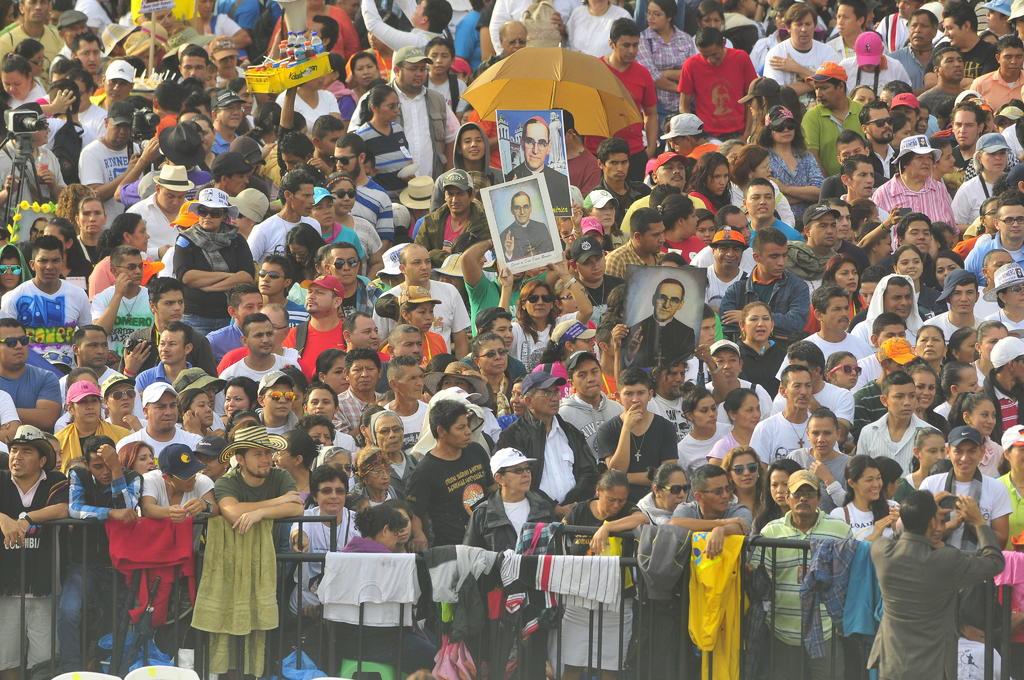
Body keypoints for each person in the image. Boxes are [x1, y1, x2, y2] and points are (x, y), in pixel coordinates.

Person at [868, 489, 1005, 679]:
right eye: (938, 520)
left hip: (892, 662)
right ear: (932, 524)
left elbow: (901, 534)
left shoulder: (881, 551)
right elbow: (994, 562)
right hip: (932, 665)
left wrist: (919, 512)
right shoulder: (945, 560)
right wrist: (979, 522)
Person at [759, 469, 853, 678]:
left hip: (827, 631)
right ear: (788, 498)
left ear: (819, 499)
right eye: (797, 493)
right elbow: (758, 578)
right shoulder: (770, 531)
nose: (803, 498)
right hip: (782, 632)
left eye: (809, 493)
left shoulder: (840, 530)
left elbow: (850, 578)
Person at [60, 435, 140, 673]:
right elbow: (75, 509)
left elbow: (127, 508)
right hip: (83, 562)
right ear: (87, 464)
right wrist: (110, 514)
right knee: (68, 611)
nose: (105, 471)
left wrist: (117, 471)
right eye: (98, 466)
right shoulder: (79, 474)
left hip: (118, 565)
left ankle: (108, 671)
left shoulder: (132, 477)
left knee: (114, 623)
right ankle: (69, 670)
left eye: (109, 464)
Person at [560, 470, 647, 678]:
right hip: (579, 599)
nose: (616, 505)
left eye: (621, 500)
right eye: (611, 500)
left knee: (610, 667)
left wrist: (607, 527)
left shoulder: (628, 510)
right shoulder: (578, 511)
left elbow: (642, 519)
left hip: (617, 601)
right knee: (572, 664)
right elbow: (560, 536)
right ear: (598, 491)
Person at [0, 425, 67, 677]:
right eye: (14, 450)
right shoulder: (0, 478)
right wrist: (3, 519)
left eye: (26, 451)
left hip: (44, 585)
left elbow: (63, 508)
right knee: (6, 661)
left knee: (43, 664)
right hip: (6, 585)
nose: (17, 456)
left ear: (42, 460)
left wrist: (26, 519)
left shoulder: (56, 480)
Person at [496, 372, 598, 515]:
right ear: (528, 401)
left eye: (556, 391)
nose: (555, 398)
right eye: (546, 393)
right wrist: (553, 508)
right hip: (533, 518)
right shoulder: (512, 437)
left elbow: (589, 472)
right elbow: (512, 480)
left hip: (575, 516)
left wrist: (573, 505)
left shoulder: (571, 432)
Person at [406, 399, 494, 545]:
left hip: (487, 538)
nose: (468, 432)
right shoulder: (424, 471)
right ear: (441, 431)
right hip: (452, 548)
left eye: (467, 426)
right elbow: (414, 512)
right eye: (460, 427)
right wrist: (419, 535)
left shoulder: (476, 451)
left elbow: (492, 488)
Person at [0, 235, 91, 367]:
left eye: (55, 260)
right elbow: (5, 343)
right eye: (43, 261)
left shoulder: (79, 295)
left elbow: (87, 337)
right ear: (32, 264)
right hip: (27, 373)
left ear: (62, 262)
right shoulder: (12, 298)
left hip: (68, 373)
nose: (49, 266)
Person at [920, 425, 1012, 549]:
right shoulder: (930, 484)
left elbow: (1001, 542)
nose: (964, 458)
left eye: (972, 451)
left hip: (980, 560)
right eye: (958, 451)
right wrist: (947, 524)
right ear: (948, 452)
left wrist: (977, 521)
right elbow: (917, 535)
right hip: (937, 559)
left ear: (982, 452)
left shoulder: (996, 488)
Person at [598, 367, 680, 503]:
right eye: (629, 394)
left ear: (650, 395)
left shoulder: (665, 427)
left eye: (641, 393)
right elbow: (617, 471)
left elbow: (668, 475)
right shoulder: (607, 429)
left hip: (657, 500)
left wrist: (626, 477)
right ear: (618, 397)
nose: (635, 400)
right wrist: (626, 428)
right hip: (620, 501)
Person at [719, 227, 810, 342]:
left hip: (783, 352)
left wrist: (747, 317)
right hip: (743, 352)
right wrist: (775, 328)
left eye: (784, 255)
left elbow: (796, 324)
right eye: (774, 256)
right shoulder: (736, 289)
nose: (781, 262)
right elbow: (727, 326)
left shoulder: (798, 286)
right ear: (756, 257)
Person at [677, 27, 755, 140]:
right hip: (707, 135)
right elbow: (683, 106)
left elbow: (752, 98)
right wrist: (697, 136)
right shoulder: (690, 65)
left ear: (723, 43)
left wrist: (747, 133)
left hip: (739, 132)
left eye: (714, 55)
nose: (710, 60)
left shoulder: (741, 58)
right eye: (705, 56)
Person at [621, 277, 695, 369]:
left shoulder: (687, 334)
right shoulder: (634, 331)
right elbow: (625, 367)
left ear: (680, 305)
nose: (666, 305)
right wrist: (629, 355)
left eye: (674, 300)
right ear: (653, 299)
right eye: (662, 298)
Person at [505, 116, 572, 214]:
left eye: (542, 143)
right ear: (522, 144)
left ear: (549, 147)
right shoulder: (508, 179)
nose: (535, 150)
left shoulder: (562, 181)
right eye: (529, 142)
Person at [116, 383, 203, 457]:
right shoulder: (127, 445)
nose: (168, 412)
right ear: (145, 412)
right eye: (161, 407)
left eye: (172, 406)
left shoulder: (195, 443)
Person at [750, 365, 814, 463]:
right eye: (797, 386)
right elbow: (759, 469)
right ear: (783, 391)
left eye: (808, 386)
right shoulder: (766, 428)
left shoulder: (820, 426)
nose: (804, 392)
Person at [500, 190, 555, 261]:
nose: (522, 212)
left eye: (525, 207)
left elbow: (552, 252)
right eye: (517, 208)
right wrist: (509, 252)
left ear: (530, 208)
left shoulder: (541, 227)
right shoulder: (504, 235)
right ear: (512, 210)